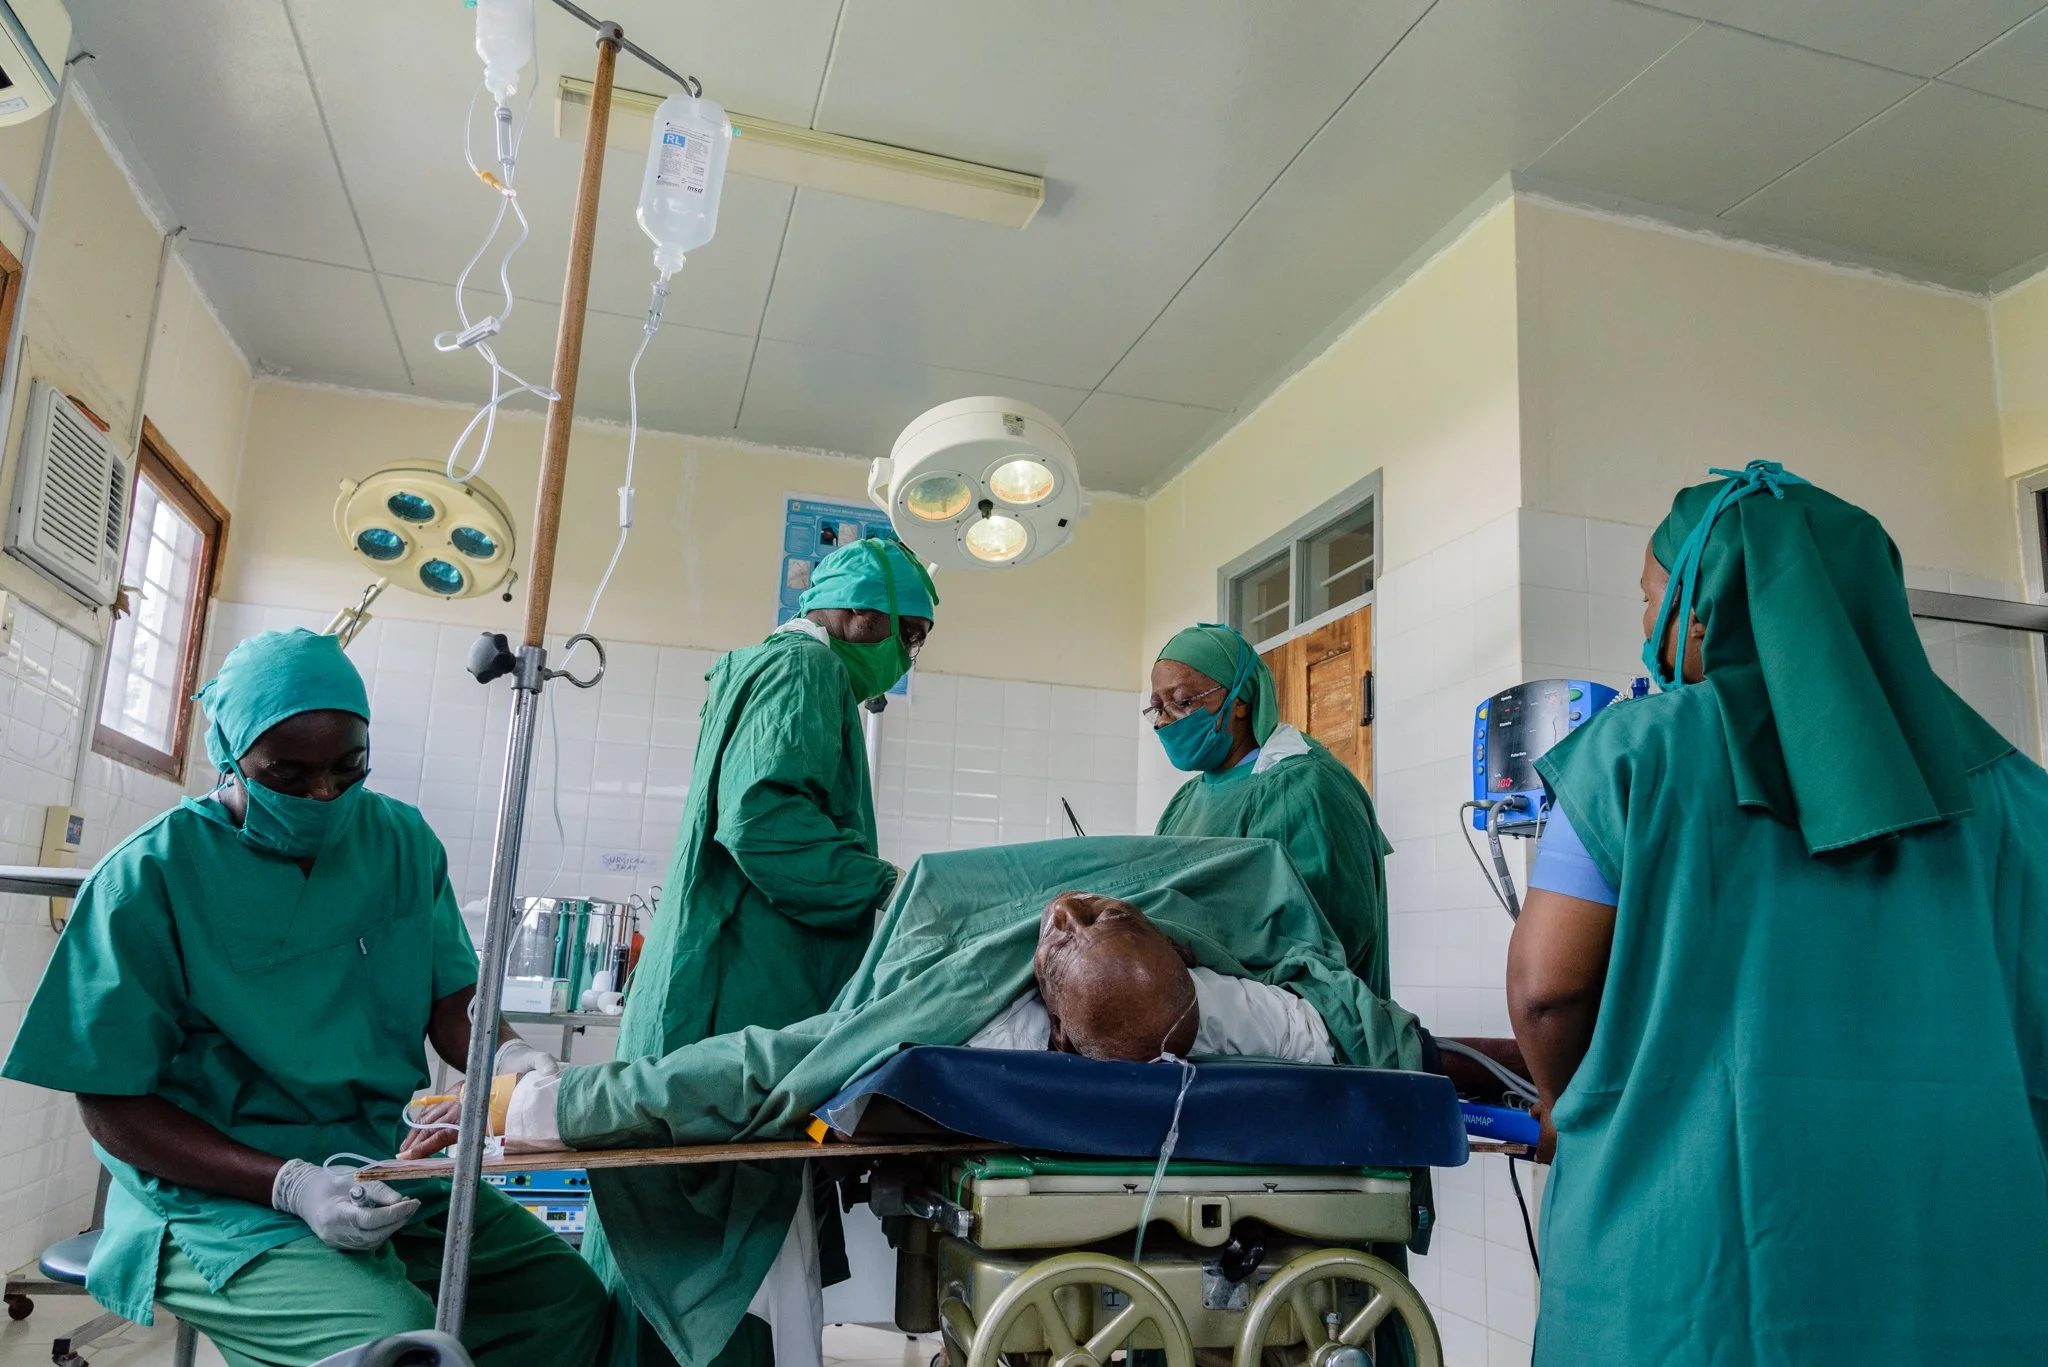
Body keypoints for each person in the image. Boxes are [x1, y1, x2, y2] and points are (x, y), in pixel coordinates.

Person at [403, 836, 1428, 1367]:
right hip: (973, 939)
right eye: (1104, 1058)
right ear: (1058, 1034)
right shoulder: (995, 1021)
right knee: (784, 1064)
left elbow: (1357, 1033)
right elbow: (766, 1068)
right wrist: (539, 1102)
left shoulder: (1250, 1011)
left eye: (1159, 1054)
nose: (1139, 1085)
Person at [1506, 463, 2048, 1365]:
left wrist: (1563, 1104)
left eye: (1651, 601)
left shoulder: (1635, 752)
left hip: (1684, 1270)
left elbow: (1547, 987)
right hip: (1968, 1260)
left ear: (1703, 606)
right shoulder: (2020, 797)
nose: (1645, 627)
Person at [0, 629, 605, 1367]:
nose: (324, 793)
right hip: (212, 1196)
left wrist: (511, 1060)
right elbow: (110, 1103)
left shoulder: (400, 842)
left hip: (382, 1165)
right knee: (394, 1339)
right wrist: (289, 1184)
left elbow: (454, 997)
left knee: (564, 1298)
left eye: (348, 769)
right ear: (232, 756)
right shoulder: (150, 878)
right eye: (288, 774)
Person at [580, 536, 938, 1367]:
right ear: (856, 615)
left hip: (712, 996)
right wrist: (889, 890)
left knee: (684, 1239)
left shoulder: (767, 672)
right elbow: (765, 823)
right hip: (733, 1007)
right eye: (907, 634)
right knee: (719, 1255)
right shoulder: (804, 672)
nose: (907, 655)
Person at [1149, 624, 1394, 990]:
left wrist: (1193, 944)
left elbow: (1324, 931)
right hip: (1208, 1003)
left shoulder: (1302, 785)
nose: (1166, 720)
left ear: (1241, 699)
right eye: (1157, 708)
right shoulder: (1184, 802)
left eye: (1183, 702)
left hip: (1304, 1018)